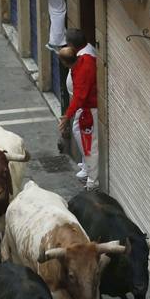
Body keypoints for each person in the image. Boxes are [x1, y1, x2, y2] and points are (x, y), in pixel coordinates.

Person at [57, 30, 97, 189]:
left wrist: (67, 116)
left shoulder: (84, 66)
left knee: (90, 146)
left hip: (89, 110)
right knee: (87, 143)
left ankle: (93, 181)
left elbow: (80, 95)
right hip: (85, 108)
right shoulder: (82, 60)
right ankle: (89, 169)